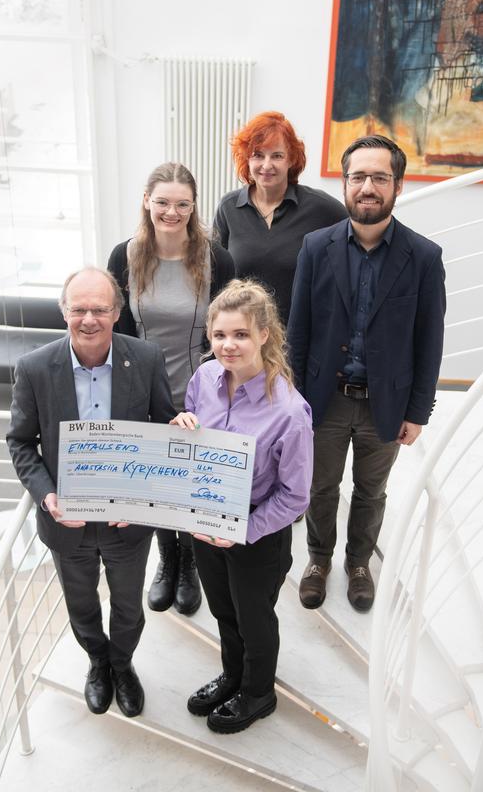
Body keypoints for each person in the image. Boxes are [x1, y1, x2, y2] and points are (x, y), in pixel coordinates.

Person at [287, 134, 446, 613]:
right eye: (359, 176)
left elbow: (429, 342)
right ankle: (318, 559)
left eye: (379, 177)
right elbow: (298, 330)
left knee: (371, 490)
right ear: (345, 184)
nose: (368, 186)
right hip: (323, 397)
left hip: (387, 401)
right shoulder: (316, 247)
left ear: (396, 185)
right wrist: (291, 401)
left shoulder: (423, 258)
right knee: (320, 486)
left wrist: (418, 411)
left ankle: (359, 563)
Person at [7, 267, 175, 718]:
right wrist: (46, 496)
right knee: (81, 604)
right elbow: (20, 442)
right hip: (68, 522)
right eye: (78, 308)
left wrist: (144, 495)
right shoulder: (35, 368)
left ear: (117, 313)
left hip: (128, 521)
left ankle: (122, 664)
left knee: (127, 605)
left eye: (99, 309)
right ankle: (97, 662)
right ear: (64, 311)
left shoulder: (146, 358)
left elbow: (164, 428)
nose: (88, 319)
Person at [172, 279, 313, 733]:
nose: (228, 346)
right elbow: (192, 438)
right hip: (205, 524)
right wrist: (181, 424)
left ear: (264, 335)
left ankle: (258, 692)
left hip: (257, 537)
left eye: (240, 335)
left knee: (255, 621)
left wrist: (243, 530)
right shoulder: (204, 378)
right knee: (223, 611)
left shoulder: (289, 412)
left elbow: (295, 495)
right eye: (219, 335)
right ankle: (233, 675)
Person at [108, 162, 234, 617]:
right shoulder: (124, 256)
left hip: (198, 389)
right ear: (147, 202)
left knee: (191, 482)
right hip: (143, 392)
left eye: (182, 204)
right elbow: (118, 330)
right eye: (162, 202)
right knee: (158, 483)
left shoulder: (217, 259)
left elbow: (229, 331)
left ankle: (191, 566)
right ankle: (168, 562)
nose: (172, 212)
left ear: (194, 206)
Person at [214, 111, 347, 324]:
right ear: (247, 158)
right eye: (258, 155)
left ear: (291, 159)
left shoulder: (321, 208)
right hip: (242, 335)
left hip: (297, 336)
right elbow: (217, 275)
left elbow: (354, 247)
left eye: (277, 155)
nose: (267, 165)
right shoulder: (228, 208)